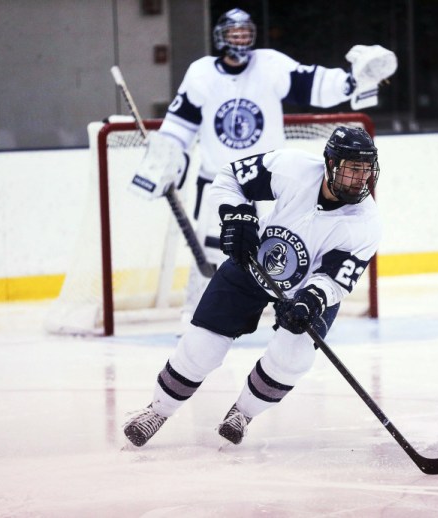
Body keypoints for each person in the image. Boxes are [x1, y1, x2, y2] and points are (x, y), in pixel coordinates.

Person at [128, 7, 396, 331]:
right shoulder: (201, 73)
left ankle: (289, 310)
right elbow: (180, 122)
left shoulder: (270, 65)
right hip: (221, 180)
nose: (240, 40)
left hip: (270, 180)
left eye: (244, 33)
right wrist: (166, 158)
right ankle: (195, 315)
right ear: (220, 37)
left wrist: (350, 82)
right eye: (233, 34)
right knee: (212, 252)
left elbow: (310, 82)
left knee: (283, 248)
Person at [123, 125, 381, 448]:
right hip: (254, 265)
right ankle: (158, 410)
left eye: (365, 171)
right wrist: (236, 215)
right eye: (351, 170)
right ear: (330, 164)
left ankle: (243, 413)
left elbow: (334, 280)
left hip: (306, 291)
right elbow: (230, 176)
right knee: (200, 348)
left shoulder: (366, 222)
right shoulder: (294, 169)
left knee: (293, 358)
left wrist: (310, 300)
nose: (359, 180)